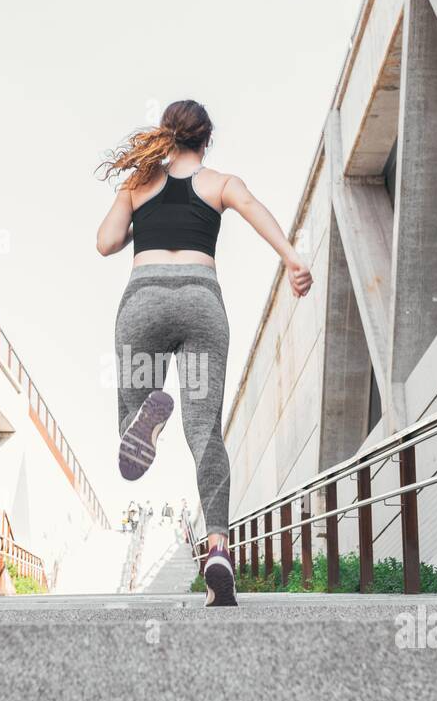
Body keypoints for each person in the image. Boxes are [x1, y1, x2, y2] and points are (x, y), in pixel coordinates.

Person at [96, 99, 313, 606]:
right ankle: (217, 546)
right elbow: (257, 212)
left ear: (165, 137)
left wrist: (138, 220)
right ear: (206, 140)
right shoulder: (221, 183)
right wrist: (292, 259)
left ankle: (142, 420)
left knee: (134, 402)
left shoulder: (138, 185)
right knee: (205, 431)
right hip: (201, 301)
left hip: (145, 297)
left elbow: (105, 243)